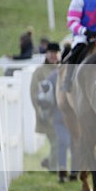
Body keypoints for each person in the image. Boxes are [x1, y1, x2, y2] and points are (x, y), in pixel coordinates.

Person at [30, 42, 63, 172]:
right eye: (51, 53)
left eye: (56, 53)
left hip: (62, 114)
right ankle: (53, 168)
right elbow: (34, 94)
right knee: (56, 140)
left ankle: (49, 161)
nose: (53, 56)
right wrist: (40, 112)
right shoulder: (40, 72)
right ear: (46, 54)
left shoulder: (63, 70)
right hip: (47, 113)